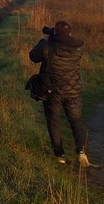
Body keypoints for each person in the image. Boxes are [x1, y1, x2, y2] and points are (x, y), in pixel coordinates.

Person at [29, 20, 89, 167]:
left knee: (54, 123)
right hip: (72, 90)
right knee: (76, 121)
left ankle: (60, 156)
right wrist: (54, 37)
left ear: (55, 33)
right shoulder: (78, 48)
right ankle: (81, 153)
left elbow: (33, 56)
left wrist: (43, 41)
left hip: (52, 91)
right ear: (70, 33)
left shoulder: (47, 46)